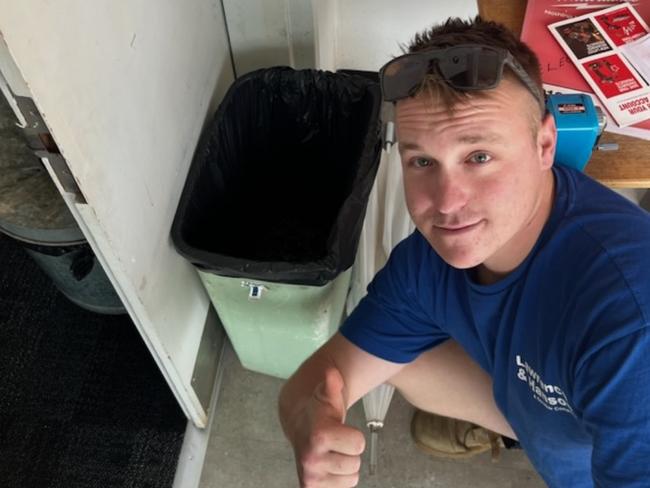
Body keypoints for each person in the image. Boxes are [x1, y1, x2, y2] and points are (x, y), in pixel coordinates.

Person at [278, 16, 650, 488]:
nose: (447, 202)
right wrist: (309, 425)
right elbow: (313, 383)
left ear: (544, 144)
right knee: (397, 359)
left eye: (478, 157)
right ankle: (523, 420)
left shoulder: (630, 327)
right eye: (422, 161)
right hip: (551, 411)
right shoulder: (426, 265)